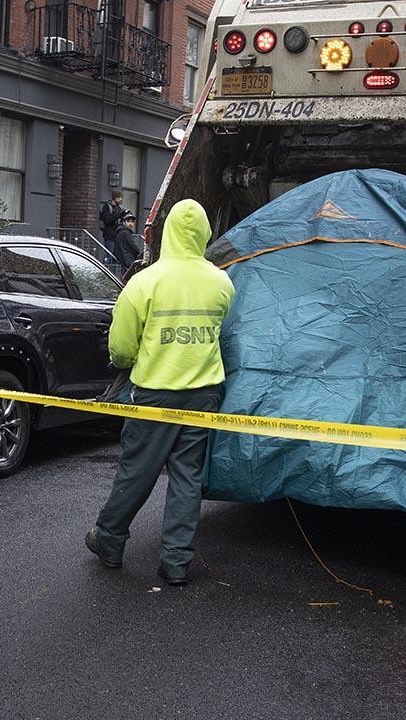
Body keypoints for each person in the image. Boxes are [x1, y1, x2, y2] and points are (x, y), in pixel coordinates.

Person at [85, 199, 235, 586]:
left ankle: (110, 540)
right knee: (187, 477)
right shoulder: (221, 282)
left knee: (138, 471)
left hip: (154, 395)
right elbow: (223, 333)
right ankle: (176, 562)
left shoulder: (145, 281)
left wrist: (134, 360)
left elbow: (120, 348)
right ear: (204, 235)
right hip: (204, 394)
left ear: (167, 233)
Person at [99, 191, 125, 256]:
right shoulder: (107, 207)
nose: (121, 200)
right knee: (110, 255)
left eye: (121, 198)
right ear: (114, 198)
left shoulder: (119, 208)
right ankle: (106, 266)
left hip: (117, 236)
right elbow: (107, 220)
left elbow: (120, 220)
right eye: (119, 198)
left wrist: (124, 214)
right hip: (109, 235)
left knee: (116, 256)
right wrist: (118, 215)